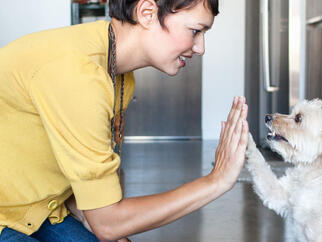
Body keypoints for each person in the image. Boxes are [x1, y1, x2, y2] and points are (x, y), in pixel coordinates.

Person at [0, 0, 249, 241]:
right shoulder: (79, 76)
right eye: (195, 31)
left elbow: (89, 189)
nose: (200, 48)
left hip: (39, 210)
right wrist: (215, 181)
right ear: (147, 12)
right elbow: (107, 224)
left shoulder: (120, 77)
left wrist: (103, 219)